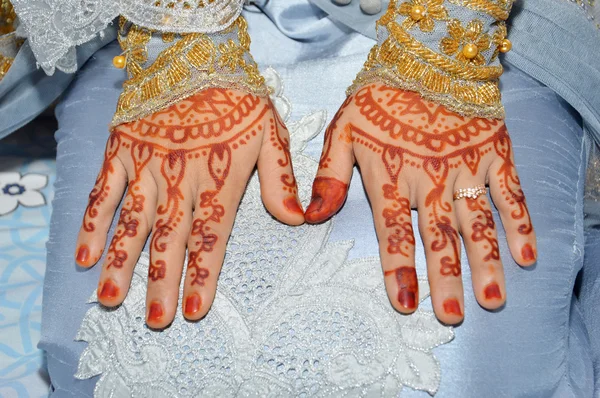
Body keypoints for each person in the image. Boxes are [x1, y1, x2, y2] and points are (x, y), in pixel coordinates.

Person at [1, 0, 599, 395]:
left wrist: (440, 53)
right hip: (161, 21)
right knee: (120, 356)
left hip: (458, 25)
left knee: (464, 367)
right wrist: (181, 46)